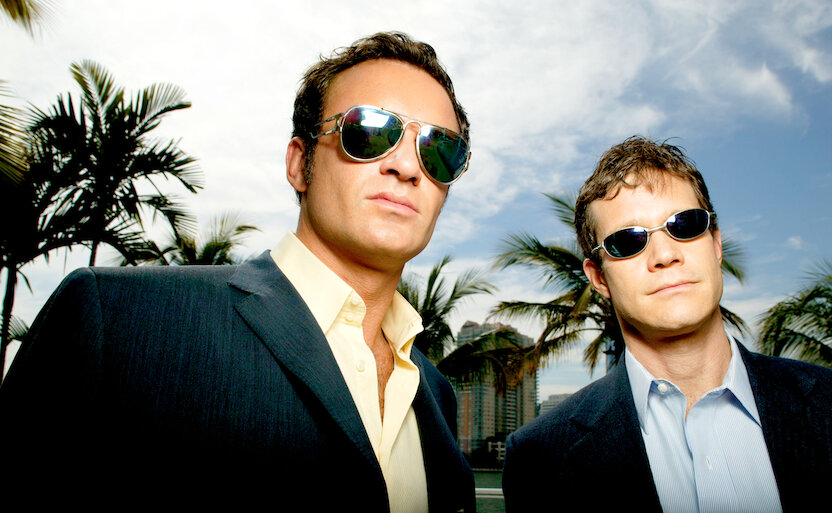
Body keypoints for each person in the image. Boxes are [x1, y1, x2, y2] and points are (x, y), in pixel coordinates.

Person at [0, 32, 476, 512]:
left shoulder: (436, 394)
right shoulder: (118, 321)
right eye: (370, 130)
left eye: (439, 150)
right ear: (300, 163)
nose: (407, 166)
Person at [502, 136, 832, 512]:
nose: (665, 255)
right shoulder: (540, 457)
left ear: (716, 244)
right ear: (599, 278)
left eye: (685, 224)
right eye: (628, 241)